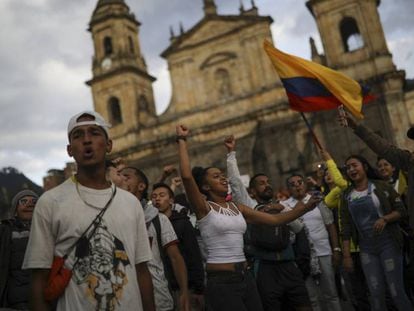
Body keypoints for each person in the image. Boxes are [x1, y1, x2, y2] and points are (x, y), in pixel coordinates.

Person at [176, 124, 319, 311]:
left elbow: (276, 220)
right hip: (222, 282)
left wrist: (305, 208)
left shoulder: (238, 207)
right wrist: (182, 140)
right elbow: (187, 177)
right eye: (216, 176)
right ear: (205, 187)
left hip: (246, 277)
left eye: (223, 175)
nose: (223, 178)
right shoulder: (204, 208)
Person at [22, 111, 155, 311]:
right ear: (69, 150)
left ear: (108, 145)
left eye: (94, 133)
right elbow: (38, 279)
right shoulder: (50, 202)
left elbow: (141, 270)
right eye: (78, 136)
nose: (86, 140)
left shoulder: (131, 203)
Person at [224, 134, 311, 310]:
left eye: (268, 182)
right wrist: (231, 153)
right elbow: (235, 182)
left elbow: (298, 227)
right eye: (262, 183)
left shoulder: (282, 205)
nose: (267, 185)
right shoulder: (250, 206)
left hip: (289, 266)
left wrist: (284, 211)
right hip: (266, 269)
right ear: (253, 192)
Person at [340, 155, 412, 311]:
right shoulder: (346, 195)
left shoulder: (381, 187)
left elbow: (402, 211)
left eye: (354, 165)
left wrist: (385, 219)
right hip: (366, 249)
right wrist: (346, 256)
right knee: (376, 292)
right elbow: (345, 227)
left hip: (389, 244)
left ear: (364, 167)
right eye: (348, 167)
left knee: (396, 291)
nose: (351, 169)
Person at [122, 167, 190, 311]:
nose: (121, 179)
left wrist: (184, 292)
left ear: (141, 186)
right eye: (119, 176)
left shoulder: (158, 220)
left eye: (127, 176)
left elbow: (175, 258)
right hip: (127, 301)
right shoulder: (112, 220)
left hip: (159, 300)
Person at [282, 174, 342, 311]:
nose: (297, 185)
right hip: (303, 257)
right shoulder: (285, 206)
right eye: (293, 184)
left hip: (323, 252)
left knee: (331, 294)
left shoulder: (317, 200)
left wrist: (336, 249)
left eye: (300, 182)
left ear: (305, 184)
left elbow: (330, 225)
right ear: (288, 189)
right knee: (312, 298)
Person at [151, 183, 205, 311]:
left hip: (186, 287)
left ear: (171, 200)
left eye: (161, 195)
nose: (157, 199)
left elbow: (194, 255)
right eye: (153, 196)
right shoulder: (151, 225)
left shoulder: (182, 222)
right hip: (164, 286)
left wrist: (198, 289)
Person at [0, 190, 39, 310]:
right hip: (16, 300)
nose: (29, 204)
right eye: (24, 201)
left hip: (43, 296)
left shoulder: (48, 230)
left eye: (34, 202)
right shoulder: (5, 230)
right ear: (15, 209)